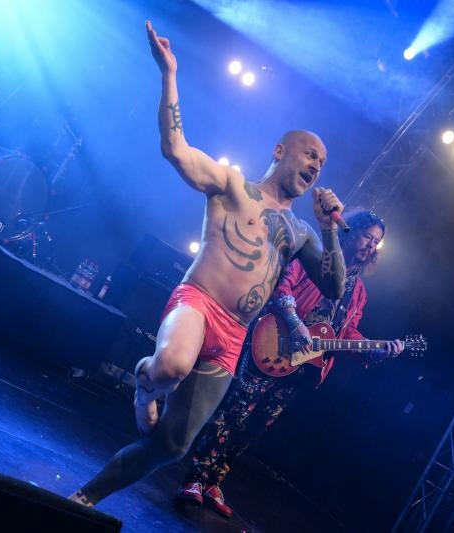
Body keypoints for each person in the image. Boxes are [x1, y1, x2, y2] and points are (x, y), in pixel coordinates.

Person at [68, 20, 347, 507]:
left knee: (173, 445)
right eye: (310, 154)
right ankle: (146, 382)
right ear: (280, 151)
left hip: (234, 337)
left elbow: (335, 288)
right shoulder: (232, 184)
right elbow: (175, 148)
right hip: (198, 302)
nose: (316, 166)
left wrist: (329, 229)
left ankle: (85, 497)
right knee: (171, 365)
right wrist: (169, 74)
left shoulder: (302, 230)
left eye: (321, 164)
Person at [175, 211, 405, 518]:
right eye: (367, 237)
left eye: (376, 242)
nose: (371, 245)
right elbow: (283, 285)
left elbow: (346, 333)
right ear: (350, 232)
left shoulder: (358, 291)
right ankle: (195, 477)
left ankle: (214, 480)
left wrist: (373, 351)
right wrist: (295, 325)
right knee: (233, 413)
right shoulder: (316, 257)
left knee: (255, 426)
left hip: (301, 367)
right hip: (273, 341)